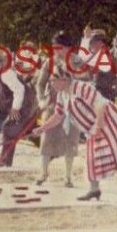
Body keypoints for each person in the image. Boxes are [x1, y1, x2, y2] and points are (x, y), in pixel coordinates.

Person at [33, 73, 117, 201]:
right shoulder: (62, 95)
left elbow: (101, 104)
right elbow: (58, 116)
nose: (51, 84)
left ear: (64, 80)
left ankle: (100, 189)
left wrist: (98, 127)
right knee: (102, 153)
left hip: (107, 118)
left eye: (53, 80)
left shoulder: (81, 87)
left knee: (111, 151)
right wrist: (42, 128)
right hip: (92, 125)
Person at [35, 31, 79, 187]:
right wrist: (41, 100)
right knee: (46, 138)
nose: (56, 50)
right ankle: (43, 173)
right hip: (53, 105)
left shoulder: (77, 61)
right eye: (54, 47)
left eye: (59, 47)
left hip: (72, 107)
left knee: (71, 141)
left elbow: (86, 82)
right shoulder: (49, 62)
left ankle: (67, 177)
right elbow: (40, 84)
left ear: (68, 48)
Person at [78, 26, 116, 101]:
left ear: (100, 43)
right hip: (99, 96)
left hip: (103, 97)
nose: (91, 46)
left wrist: (86, 38)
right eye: (91, 43)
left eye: (93, 42)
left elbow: (81, 65)